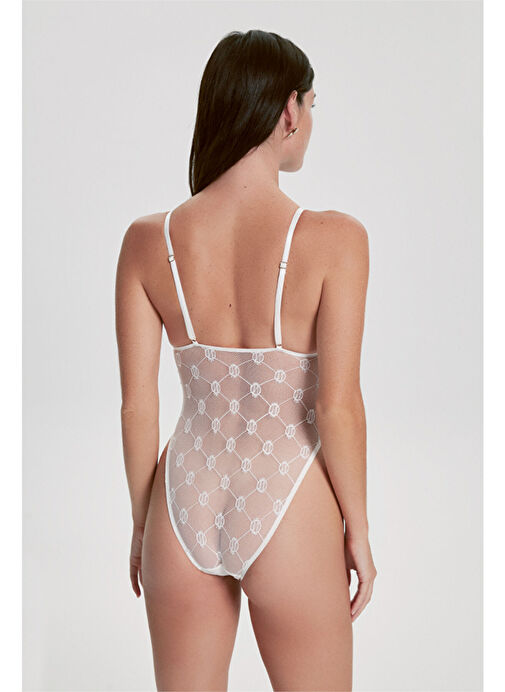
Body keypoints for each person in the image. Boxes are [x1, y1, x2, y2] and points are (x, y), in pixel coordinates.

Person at [115, 28, 376, 692]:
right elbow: (337, 408)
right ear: (288, 109)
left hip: (181, 499)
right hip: (289, 497)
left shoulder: (147, 240)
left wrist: (142, 524)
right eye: (311, 104)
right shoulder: (335, 239)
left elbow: (137, 406)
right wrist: (358, 529)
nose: (309, 119)